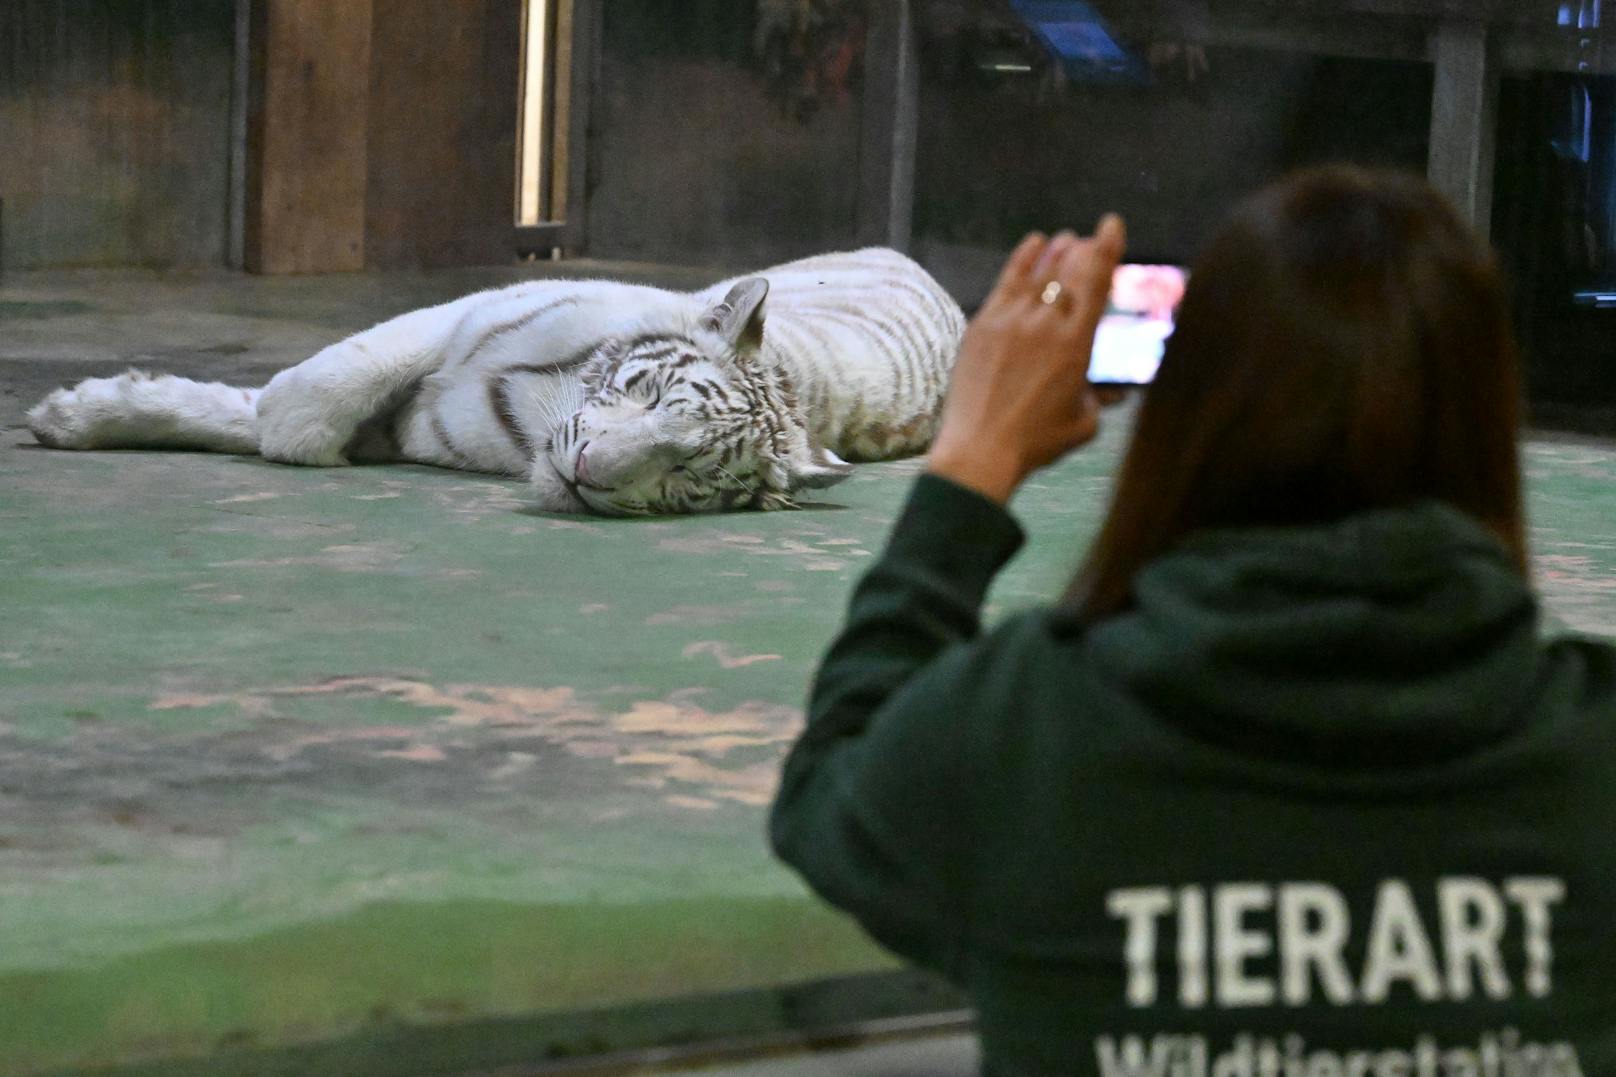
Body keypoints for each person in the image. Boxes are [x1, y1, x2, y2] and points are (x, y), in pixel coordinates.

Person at [769, 167, 1616, 1076]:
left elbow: (830, 793)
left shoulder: (1027, 731)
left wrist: (972, 463)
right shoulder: (1590, 752)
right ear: (1489, 426)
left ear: (1192, 412)